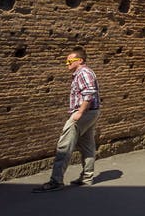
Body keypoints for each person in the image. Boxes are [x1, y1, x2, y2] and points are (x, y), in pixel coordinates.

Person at [33, 47, 102, 192]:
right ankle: (87, 178)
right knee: (87, 145)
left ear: (80, 60)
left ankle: (56, 181)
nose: (67, 63)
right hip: (91, 113)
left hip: (83, 114)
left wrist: (80, 112)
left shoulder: (83, 72)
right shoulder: (82, 73)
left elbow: (89, 93)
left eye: (70, 60)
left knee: (64, 146)